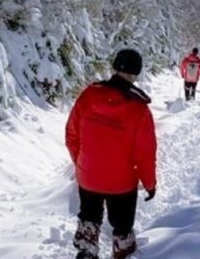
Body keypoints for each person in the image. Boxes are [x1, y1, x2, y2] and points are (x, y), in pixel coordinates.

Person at [65, 49, 158, 259]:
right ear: (136, 73)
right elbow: (145, 153)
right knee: (122, 226)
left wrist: (81, 162)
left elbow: (71, 134)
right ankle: (123, 251)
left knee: (89, 218)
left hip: (88, 175)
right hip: (121, 182)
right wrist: (150, 184)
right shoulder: (139, 109)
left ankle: (87, 250)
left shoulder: (89, 94)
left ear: (114, 67)